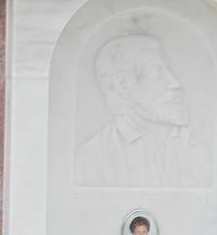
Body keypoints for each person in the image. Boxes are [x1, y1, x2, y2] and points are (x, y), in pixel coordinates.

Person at [75, 34, 208, 188]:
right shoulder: (93, 158)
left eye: (169, 71)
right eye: (156, 72)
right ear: (123, 85)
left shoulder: (198, 150)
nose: (175, 83)